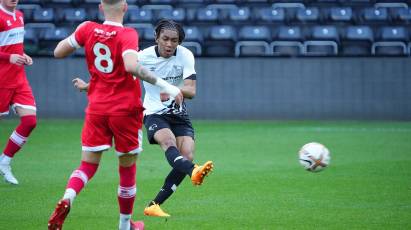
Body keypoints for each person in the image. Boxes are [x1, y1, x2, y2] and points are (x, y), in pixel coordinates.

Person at [46, 0, 187, 229]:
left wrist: (81, 44)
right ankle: (125, 225)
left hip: (96, 108)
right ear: (125, 7)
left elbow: (58, 52)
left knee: (87, 165)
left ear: (101, 7)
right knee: (127, 168)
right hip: (124, 110)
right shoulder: (127, 34)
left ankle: (68, 197)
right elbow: (131, 66)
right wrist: (167, 86)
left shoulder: (86, 28)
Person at [72, 19, 214, 218]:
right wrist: (88, 86)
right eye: (165, 39)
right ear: (156, 38)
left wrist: (172, 90)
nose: (169, 44)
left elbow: (191, 90)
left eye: (174, 40)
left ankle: (154, 205)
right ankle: (193, 171)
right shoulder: (141, 57)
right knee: (168, 142)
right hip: (153, 112)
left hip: (179, 113)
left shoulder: (185, 55)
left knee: (187, 154)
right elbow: (115, 77)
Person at [0, 0, 37, 185]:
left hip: (19, 79)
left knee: (30, 121)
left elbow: (13, 45)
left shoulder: (20, 15)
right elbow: (7, 52)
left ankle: (5, 161)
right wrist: (9, 57)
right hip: (1, 79)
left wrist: (23, 55)